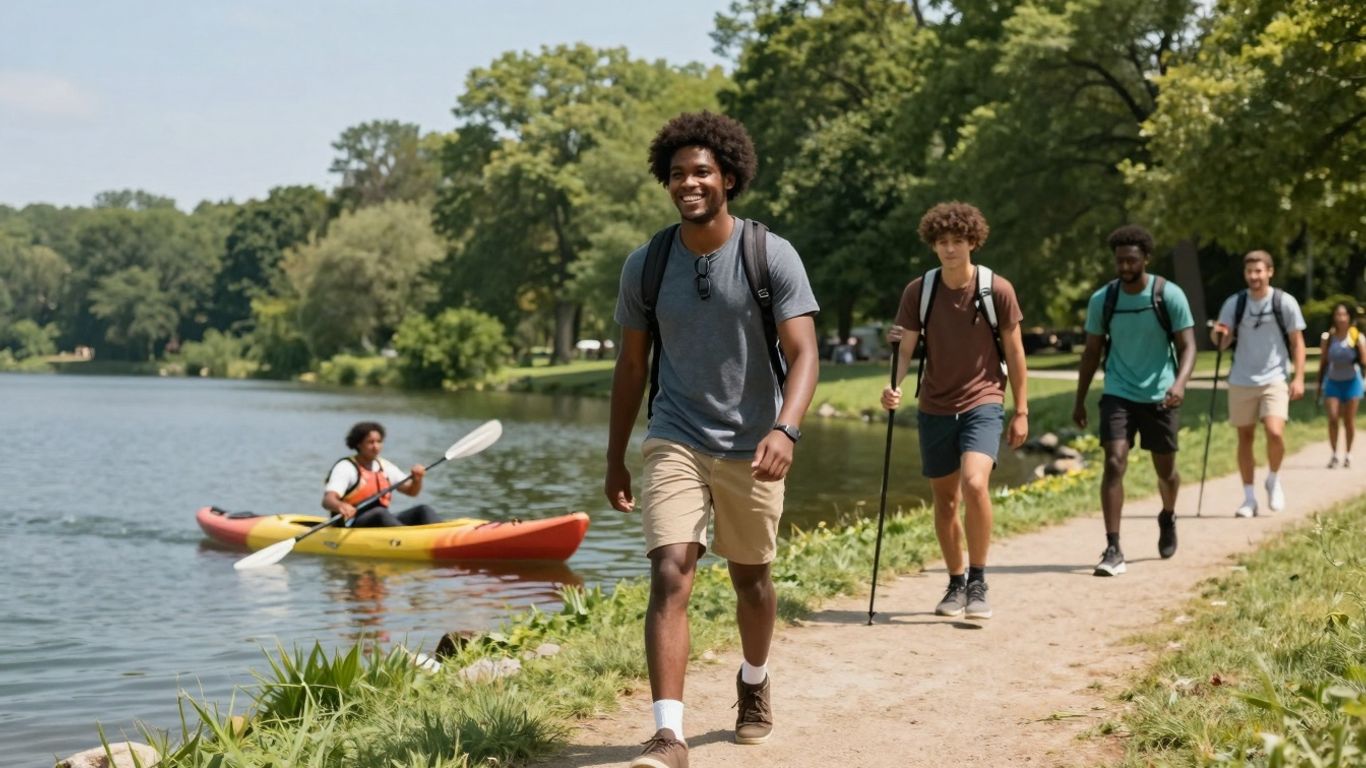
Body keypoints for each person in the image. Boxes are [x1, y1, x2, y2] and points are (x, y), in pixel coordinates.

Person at [604, 111, 820, 768]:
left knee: (752, 579)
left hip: (754, 441)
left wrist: (786, 427)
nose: (688, 183)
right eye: (677, 174)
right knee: (671, 571)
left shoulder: (768, 253)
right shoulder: (647, 265)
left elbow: (805, 352)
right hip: (674, 434)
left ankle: (753, 683)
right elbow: (633, 366)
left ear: (728, 176)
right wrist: (615, 455)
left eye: (701, 171)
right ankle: (669, 735)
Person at [881, 201, 1029, 621]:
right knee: (945, 501)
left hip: (984, 399)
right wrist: (894, 387)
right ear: (933, 245)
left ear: (973, 242)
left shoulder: (996, 289)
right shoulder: (919, 291)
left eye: (958, 242)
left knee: (974, 484)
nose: (950, 250)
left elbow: (1015, 353)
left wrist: (1022, 410)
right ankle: (956, 581)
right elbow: (905, 347)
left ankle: (979, 580)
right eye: (942, 242)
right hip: (934, 405)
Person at [1072, 225, 1197, 577]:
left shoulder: (1168, 295)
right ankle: (1113, 547)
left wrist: (1180, 384)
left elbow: (1188, 346)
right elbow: (1091, 352)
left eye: (1131, 260)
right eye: (1119, 260)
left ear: (1145, 259)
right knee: (1114, 462)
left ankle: (1168, 515)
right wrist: (1080, 401)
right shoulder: (1104, 300)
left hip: (1161, 394)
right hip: (1118, 392)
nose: (1125, 266)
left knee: (1166, 471)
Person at [1210, 250, 1307, 517]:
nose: (1254, 276)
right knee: (1245, 437)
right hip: (1241, 378)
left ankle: (1273, 478)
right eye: (1250, 271)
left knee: (1275, 433)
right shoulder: (1235, 303)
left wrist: (1298, 377)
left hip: (1274, 377)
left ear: (1270, 272)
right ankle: (1249, 497)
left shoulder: (1284, 302)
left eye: (1259, 271)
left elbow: (1297, 342)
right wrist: (1218, 334)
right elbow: (1223, 340)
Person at [322, 421, 440, 527]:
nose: (376, 447)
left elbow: (411, 492)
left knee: (423, 510)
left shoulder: (385, 466)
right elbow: (328, 500)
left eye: (379, 442)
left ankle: (440, 535)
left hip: (379, 520)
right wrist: (340, 506)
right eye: (370, 442)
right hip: (350, 523)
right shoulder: (346, 467)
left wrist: (417, 480)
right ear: (358, 444)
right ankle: (410, 540)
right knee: (380, 513)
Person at [1319, 302, 1365, 468]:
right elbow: (1323, 362)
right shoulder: (1328, 337)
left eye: (1344, 314)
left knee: (1349, 421)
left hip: (1352, 382)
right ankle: (1334, 454)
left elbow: (1364, 361)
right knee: (1332, 418)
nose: (1341, 318)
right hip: (1333, 381)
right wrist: (1318, 385)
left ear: (1349, 317)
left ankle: (1348, 454)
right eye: (1338, 314)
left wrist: (1359, 347)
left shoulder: (1357, 337)